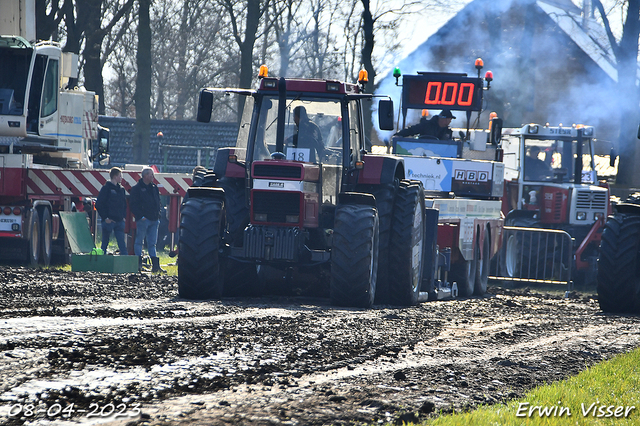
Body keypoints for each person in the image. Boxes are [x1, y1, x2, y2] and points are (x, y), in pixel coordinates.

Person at [129, 167, 164, 273]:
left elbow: (158, 201)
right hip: (144, 219)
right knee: (139, 241)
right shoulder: (137, 188)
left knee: (152, 243)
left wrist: (158, 214)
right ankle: (138, 264)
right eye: (150, 175)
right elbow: (133, 204)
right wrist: (140, 216)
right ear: (144, 176)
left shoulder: (154, 188)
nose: (152, 177)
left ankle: (155, 265)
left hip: (154, 219)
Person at [95, 167, 128, 255]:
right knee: (105, 242)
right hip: (108, 221)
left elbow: (124, 204)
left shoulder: (121, 189)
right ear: (114, 176)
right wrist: (105, 217)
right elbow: (99, 204)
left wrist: (123, 216)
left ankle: (126, 263)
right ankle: (102, 262)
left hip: (119, 221)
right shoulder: (106, 188)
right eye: (120, 176)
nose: (121, 178)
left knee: (122, 244)